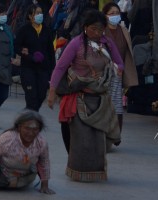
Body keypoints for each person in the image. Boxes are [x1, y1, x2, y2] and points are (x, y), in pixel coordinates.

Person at [47, 10, 123, 182]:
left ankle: (95, 172)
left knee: (98, 140)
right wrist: (52, 92)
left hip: (100, 99)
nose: (97, 33)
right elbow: (60, 67)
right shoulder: (76, 44)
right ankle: (76, 171)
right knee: (80, 140)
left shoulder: (107, 44)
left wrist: (114, 70)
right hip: (79, 97)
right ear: (85, 27)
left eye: (101, 29)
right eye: (94, 29)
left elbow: (120, 63)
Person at [0, 110, 55, 195]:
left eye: (35, 129)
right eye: (27, 128)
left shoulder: (41, 143)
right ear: (19, 127)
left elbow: (44, 162)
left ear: (39, 129)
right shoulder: (6, 139)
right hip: (0, 177)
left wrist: (44, 185)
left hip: (25, 178)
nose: (31, 133)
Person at [102, 2, 138, 133]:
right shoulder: (101, 31)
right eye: (112, 13)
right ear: (105, 15)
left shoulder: (123, 30)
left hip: (119, 71)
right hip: (103, 72)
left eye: (117, 13)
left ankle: (116, 134)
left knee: (117, 104)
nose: (115, 16)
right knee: (106, 104)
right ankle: (106, 132)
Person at [13, 4, 55, 111]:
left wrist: (52, 69)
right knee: (31, 96)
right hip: (28, 68)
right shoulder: (24, 29)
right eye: (37, 13)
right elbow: (16, 46)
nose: (40, 15)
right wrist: (23, 51)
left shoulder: (46, 30)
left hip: (43, 69)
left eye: (41, 13)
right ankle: (30, 117)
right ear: (30, 16)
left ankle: (29, 113)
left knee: (41, 95)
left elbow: (50, 50)